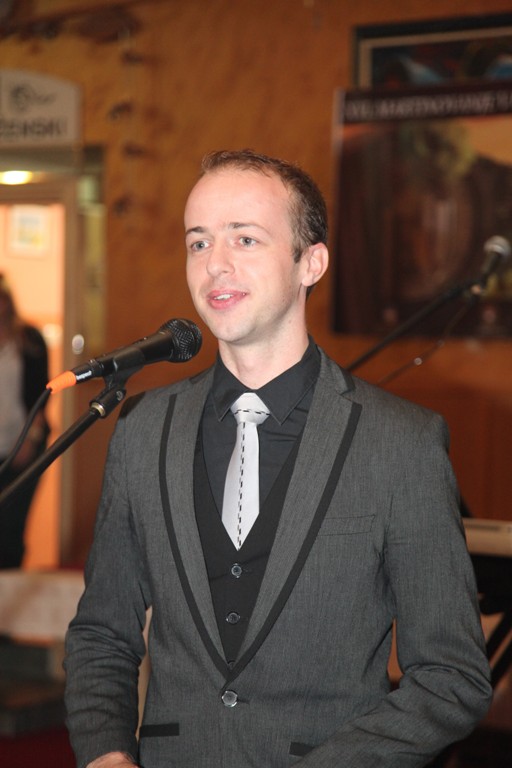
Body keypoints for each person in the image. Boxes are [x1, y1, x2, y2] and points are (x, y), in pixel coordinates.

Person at [64, 149, 492, 768]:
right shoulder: (142, 430)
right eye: (198, 242)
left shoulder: (402, 443)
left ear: (310, 262)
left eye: (245, 238)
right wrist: (106, 754)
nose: (215, 264)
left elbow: (451, 677)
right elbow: (102, 633)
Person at [0, 273, 49, 569]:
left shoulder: (29, 339)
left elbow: (42, 394)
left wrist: (30, 440)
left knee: (10, 531)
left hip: (22, 448)